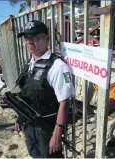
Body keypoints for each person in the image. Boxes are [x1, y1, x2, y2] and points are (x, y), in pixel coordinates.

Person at [16, 20, 75, 158]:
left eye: (35, 37)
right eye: (27, 38)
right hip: (29, 125)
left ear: (47, 39)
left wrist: (57, 134)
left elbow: (64, 103)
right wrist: (19, 117)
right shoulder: (30, 64)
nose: (29, 41)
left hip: (46, 129)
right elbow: (27, 94)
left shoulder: (58, 67)